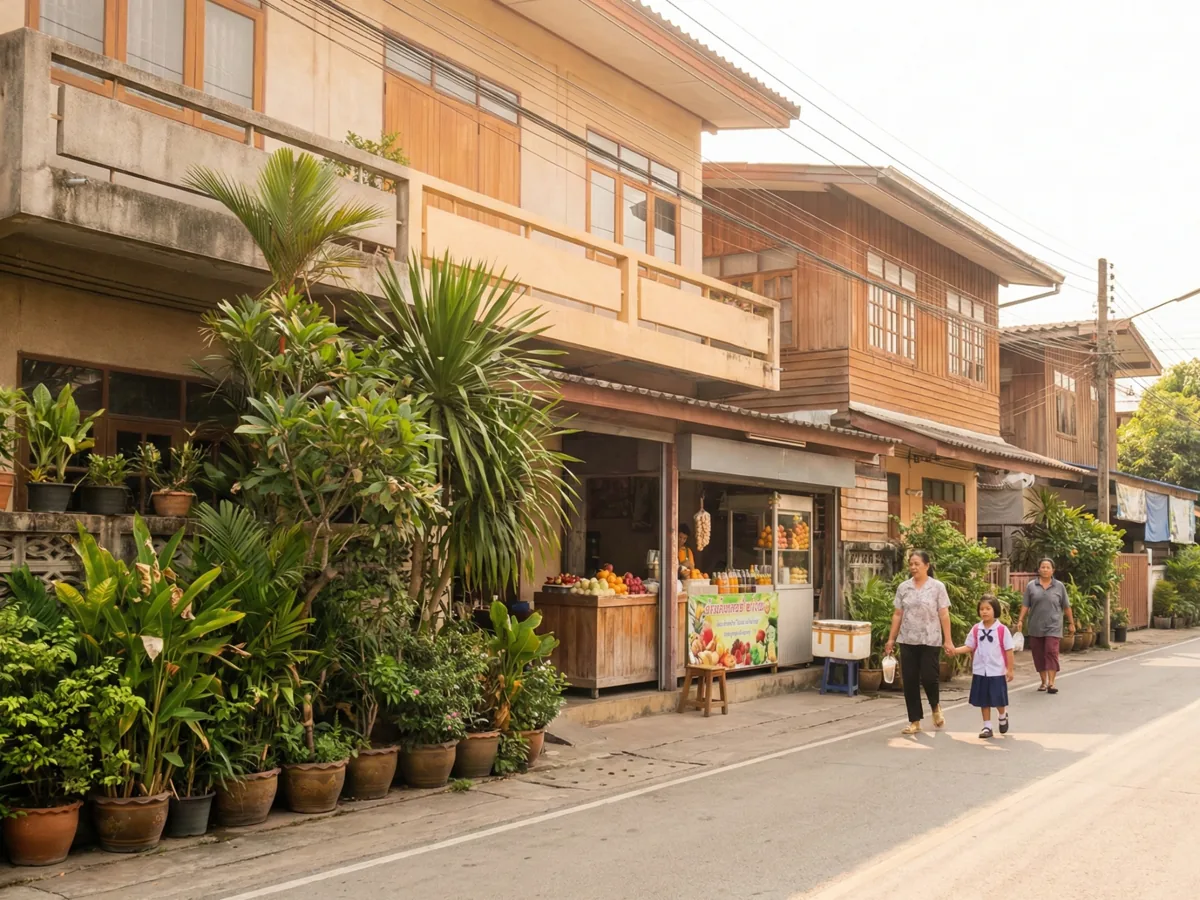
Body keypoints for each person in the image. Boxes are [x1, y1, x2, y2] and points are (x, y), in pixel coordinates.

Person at [884, 550, 955, 735]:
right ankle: (914, 720)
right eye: (911, 564)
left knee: (930, 677)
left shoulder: (937, 587)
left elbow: (944, 613)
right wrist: (891, 639)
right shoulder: (903, 588)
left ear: (927, 565)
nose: (913, 567)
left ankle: (935, 707)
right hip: (907, 639)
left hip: (930, 639)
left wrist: (948, 640)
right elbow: (898, 613)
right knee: (909, 680)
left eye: (917, 563)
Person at [948, 595, 1014, 739]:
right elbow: (969, 646)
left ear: (994, 610)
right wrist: (955, 651)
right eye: (982, 609)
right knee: (984, 699)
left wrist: (1010, 669)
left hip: (996, 670)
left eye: (988, 609)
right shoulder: (976, 629)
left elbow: (1009, 650)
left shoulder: (1002, 630)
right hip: (980, 670)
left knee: (998, 698)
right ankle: (987, 726)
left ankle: (1002, 715)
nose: (984, 612)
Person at [1016, 557, 1075, 694]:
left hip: (1053, 626)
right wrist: (1020, 620)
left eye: (1048, 567)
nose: (1045, 569)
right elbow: (1025, 605)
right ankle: (1043, 682)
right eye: (1043, 567)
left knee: (1051, 651)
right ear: (1039, 569)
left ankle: (1052, 683)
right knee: (1038, 654)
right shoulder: (1031, 586)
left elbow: (1066, 606)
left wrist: (1071, 623)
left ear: (1053, 570)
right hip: (1035, 626)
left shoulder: (1059, 586)